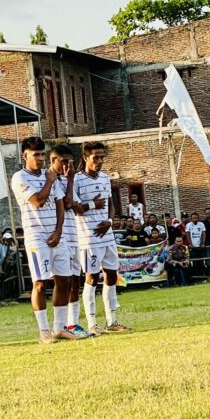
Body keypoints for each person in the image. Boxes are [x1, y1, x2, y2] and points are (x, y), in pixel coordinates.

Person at [11, 137, 73, 344]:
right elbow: (38, 201)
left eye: (42, 154)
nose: (39, 158)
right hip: (36, 237)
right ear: (25, 155)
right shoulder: (20, 177)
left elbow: (60, 206)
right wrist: (49, 180)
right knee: (40, 282)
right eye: (35, 154)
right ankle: (44, 331)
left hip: (56, 234)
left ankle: (59, 328)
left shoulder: (51, 177)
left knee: (64, 280)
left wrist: (58, 231)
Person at [75, 141, 130, 333]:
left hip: (107, 234)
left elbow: (109, 204)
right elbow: (73, 208)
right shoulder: (76, 180)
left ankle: (112, 320)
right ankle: (92, 323)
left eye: (102, 157)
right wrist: (91, 205)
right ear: (85, 158)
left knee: (112, 275)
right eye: (95, 157)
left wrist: (109, 220)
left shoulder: (105, 178)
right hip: (89, 236)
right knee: (91, 278)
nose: (99, 161)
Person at [50, 144, 91, 339]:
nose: (67, 166)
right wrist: (71, 178)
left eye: (70, 162)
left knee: (75, 280)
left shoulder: (65, 180)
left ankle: (73, 323)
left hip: (74, 234)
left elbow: (77, 207)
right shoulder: (51, 180)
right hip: (61, 236)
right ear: (54, 160)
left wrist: (76, 202)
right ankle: (61, 325)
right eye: (64, 162)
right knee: (63, 281)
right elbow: (68, 203)